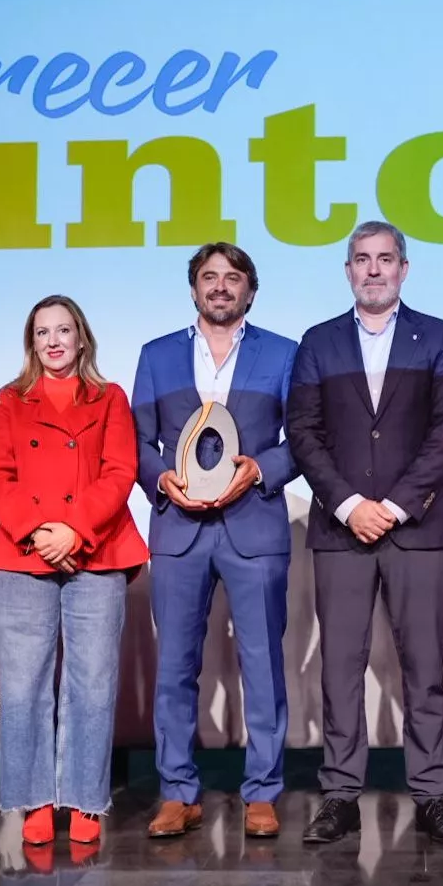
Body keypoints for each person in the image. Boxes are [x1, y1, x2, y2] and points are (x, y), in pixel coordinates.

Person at [287, 220, 443, 845]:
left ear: (404, 268)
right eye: (361, 259)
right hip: (340, 533)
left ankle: (432, 795)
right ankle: (340, 794)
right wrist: (346, 505)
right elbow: (304, 434)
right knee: (340, 669)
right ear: (347, 271)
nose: (372, 269)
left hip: (414, 527)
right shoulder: (317, 342)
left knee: (424, 668)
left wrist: (391, 505)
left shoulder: (439, 337)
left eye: (384, 259)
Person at [131, 244, 298, 839]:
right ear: (194, 288)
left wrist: (260, 470)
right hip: (179, 530)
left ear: (250, 291)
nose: (221, 287)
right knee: (174, 666)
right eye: (209, 278)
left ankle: (262, 792)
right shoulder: (157, 356)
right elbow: (138, 442)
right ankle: (178, 792)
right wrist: (161, 480)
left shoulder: (283, 354)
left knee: (263, 667)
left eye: (233, 278)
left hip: (254, 525)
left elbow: (302, 440)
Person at [0, 295, 148, 847]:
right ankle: (34, 799)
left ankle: (83, 799)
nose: (53, 341)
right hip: (22, 551)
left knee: (92, 683)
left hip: (95, 550)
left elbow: (121, 470)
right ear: (31, 343)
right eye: (42, 332)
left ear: (82, 338)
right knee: (24, 684)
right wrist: (38, 531)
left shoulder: (109, 397)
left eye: (64, 330)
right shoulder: (9, 400)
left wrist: (73, 529)